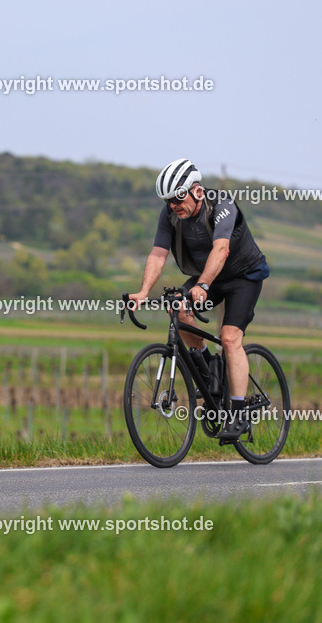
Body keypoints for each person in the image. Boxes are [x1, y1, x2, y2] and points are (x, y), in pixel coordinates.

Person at [129, 159, 270, 441]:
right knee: (178, 311)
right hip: (207, 277)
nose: (173, 205)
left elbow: (221, 248)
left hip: (243, 276)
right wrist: (143, 291)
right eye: (168, 200)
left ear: (197, 191)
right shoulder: (169, 215)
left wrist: (204, 284)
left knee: (230, 338)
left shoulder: (222, 205)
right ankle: (210, 377)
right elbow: (158, 254)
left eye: (178, 198)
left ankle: (239, 413)